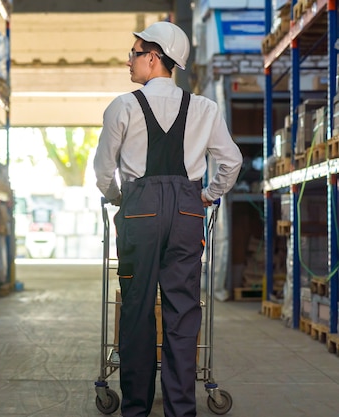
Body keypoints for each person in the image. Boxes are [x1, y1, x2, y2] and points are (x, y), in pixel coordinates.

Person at [93, 21, 243, 417]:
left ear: (155, 58)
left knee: (138, 309)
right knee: (182, 311)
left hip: (139, 210)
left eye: (135, 53)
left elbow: (103, 171)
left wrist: (118, 199)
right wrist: (208, 196)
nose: (129, 61)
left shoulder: (123, 106)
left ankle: (137, 408)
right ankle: (180, 408)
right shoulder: (204, 108)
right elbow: (231, 161)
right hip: (187, 211)